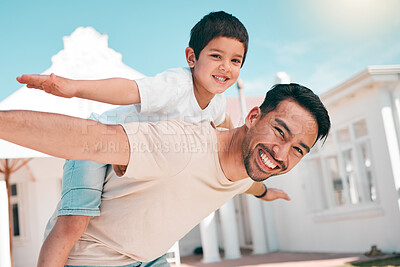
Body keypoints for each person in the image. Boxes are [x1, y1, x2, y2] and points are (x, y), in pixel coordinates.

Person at [16, 11, 257, 267]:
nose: (226, 67)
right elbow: (128, 89)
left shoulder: (217, 104)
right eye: (216, 56)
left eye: (235, 60)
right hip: (98, 141)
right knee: (75, 222)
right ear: (192, 57)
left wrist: (259, 180)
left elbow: (229, 132)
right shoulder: (176, 85)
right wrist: (73, 87)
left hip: (130, 155)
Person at [0, 83, 330, 266]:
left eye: (299, 149)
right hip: (92, 263)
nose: (281, 154)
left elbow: (248, 186)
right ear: (253, 116)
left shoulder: (250, 167)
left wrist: (266, 193)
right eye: (280, 132)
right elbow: (89, 139)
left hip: (147, 259)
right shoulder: (181, 145)